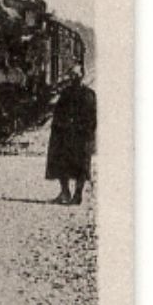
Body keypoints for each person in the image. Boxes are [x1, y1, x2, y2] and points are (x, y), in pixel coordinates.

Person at [47, 67, 97, 204]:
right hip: (68, 135)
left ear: (81, 76)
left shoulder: (88, 94)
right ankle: (66, 193)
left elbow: (92, 118)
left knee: (81, 166)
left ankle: (77, 195)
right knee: (64, 163)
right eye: (71, 74)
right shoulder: (67, 93)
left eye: (75, 74)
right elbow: (58, 114)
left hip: (80, 135)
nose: (73, 77)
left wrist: (87, 134)